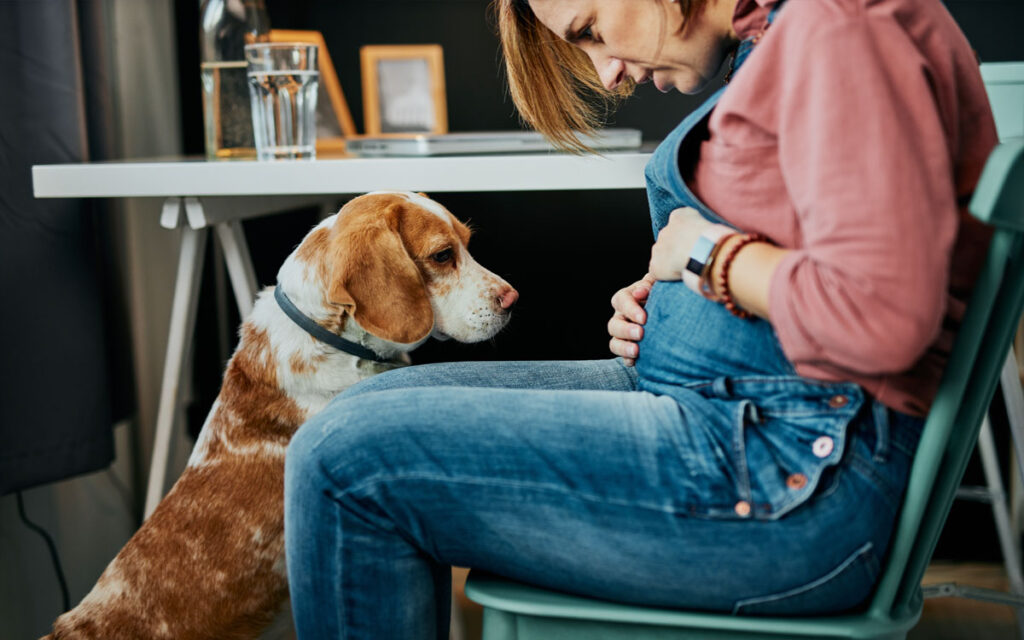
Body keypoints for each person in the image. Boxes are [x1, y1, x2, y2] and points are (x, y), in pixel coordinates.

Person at [283, 0, 998, 637]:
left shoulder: (836, 29)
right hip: (743, 413)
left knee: (345, 458)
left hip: (790, 469)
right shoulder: (791, 36)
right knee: (360, 409)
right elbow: (814, 247)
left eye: (591, 31)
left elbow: (883, 312)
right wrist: (679, 301)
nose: (607, 74)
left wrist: (709, 259)